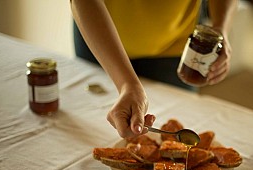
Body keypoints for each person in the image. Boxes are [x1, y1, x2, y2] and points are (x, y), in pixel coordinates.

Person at [70, 0, 237, 138]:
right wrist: (126, 84)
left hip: (177, 42)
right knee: (91, 130)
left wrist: (220, 28)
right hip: (100, 37)